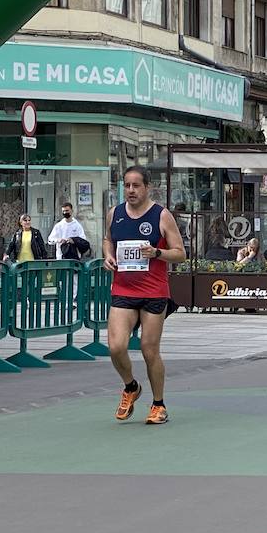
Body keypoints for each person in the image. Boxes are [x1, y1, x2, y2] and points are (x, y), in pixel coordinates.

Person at [103, 165, 187, 426]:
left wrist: (157, 253)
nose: (130, 190)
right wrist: (108, 254)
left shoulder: (161, 216)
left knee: (149, 350)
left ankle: (158, 404)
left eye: (136, 185)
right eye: (127, 185)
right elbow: (108, 240)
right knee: (116, 347)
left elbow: (181, 253)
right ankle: (130, 387)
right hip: (123, 289)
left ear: (148, 187)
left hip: (153, 292)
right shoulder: (114, 214)